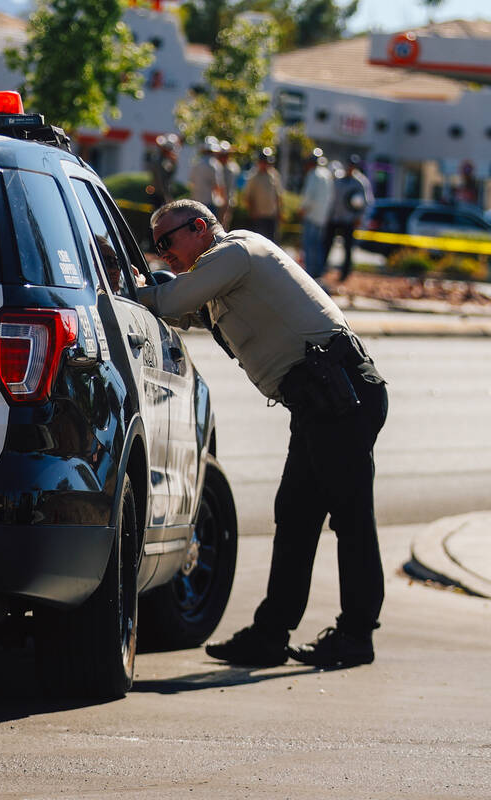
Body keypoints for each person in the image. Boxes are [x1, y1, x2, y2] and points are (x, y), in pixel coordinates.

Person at [136, 199, 389, 669]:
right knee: (294, 514)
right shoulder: (221, 277)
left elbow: (171, 301)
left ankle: (356, 635)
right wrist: (143, 288)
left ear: (198, 228)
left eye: (167, 242)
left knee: (350, 519)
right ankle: (272, 634)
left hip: (340, 394)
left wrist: (126, 293)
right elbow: (186, 312)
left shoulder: (234, 253)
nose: (162, 254)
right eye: (156, 248)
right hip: (320, 400)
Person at [327, 154, 374, 283]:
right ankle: (324, 270)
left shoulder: (361, 182)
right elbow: (332, 199)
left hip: (350, 220)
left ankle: (345, 274)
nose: (350, 168)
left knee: (347, 248)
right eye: (349, 166)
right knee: (327, 244)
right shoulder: (339, 179)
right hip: (335, 218)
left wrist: (360, 218)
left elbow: (367, 203)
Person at [299, 148, 333, 280]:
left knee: (309, 245)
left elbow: (309, 197)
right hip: (322, 217)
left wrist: (302, 209)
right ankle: (318, 272)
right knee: (318, 246)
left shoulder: (313, 175)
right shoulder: (326, 174)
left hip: (312, 216)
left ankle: (310, 273)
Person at [242, 147, 283, 242]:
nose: (265, 164)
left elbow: (278, 195)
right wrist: (252, 212)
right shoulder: (253, 176)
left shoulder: (274, 175)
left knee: (272, 242)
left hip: (271, 216)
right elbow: (247, 197)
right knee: (259, 242)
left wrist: (280, 212)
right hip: (258, 216)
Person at [189, 137, 225, 217]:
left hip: (196, 201)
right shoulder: (215, 165)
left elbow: (191, 182)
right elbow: (218, 185)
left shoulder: (196, 163)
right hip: (209, 202)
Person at [147, 134, 180, 208]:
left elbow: (170, 173)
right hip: (159, 195)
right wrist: (166, 197)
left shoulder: (165, 161)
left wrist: (174, 163)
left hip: (161, 194)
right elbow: (161, 180)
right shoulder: (159, 162)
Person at [216, 140, 242, 229]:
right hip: (216, 201)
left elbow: (232, 187)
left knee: (224, 224)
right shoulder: (216, 166)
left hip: (227, 201)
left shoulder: (233, 168)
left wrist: (227, 200)